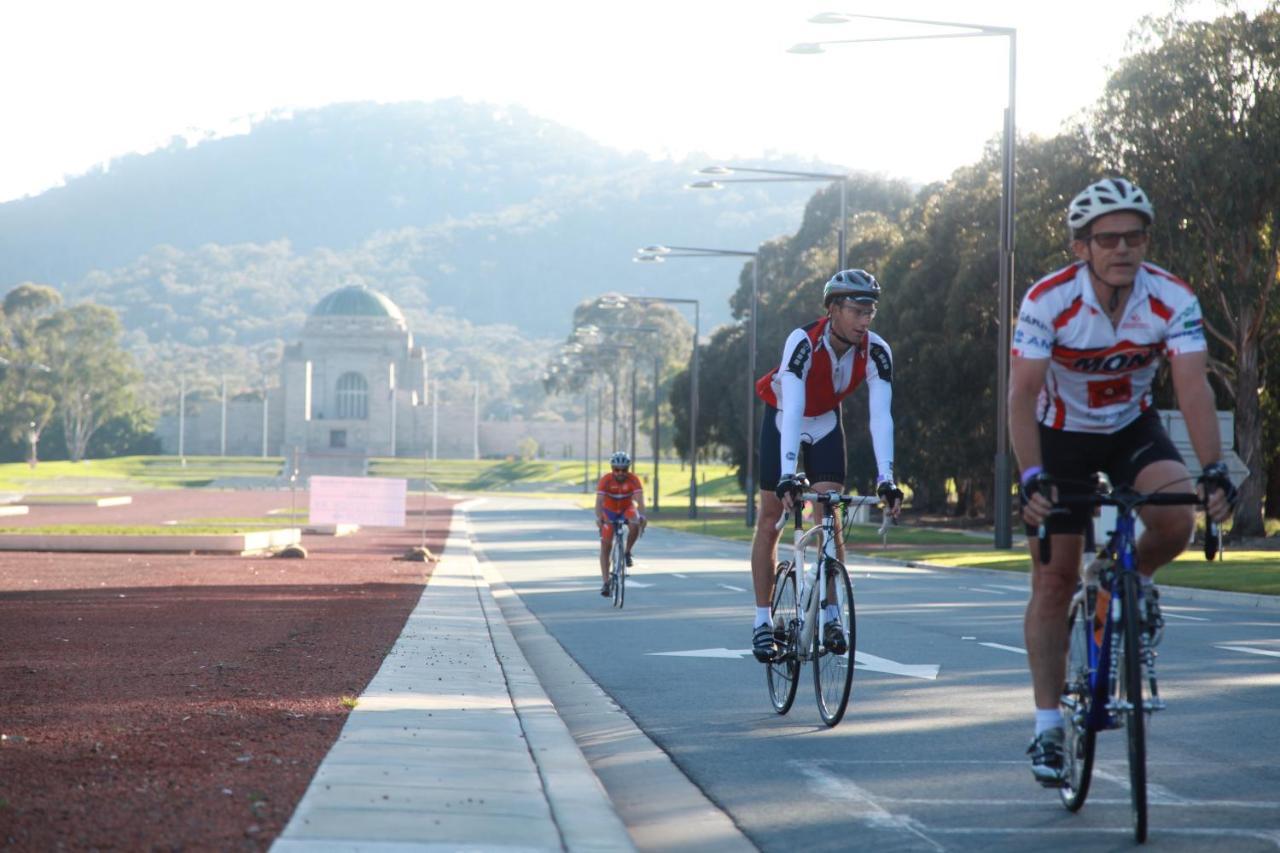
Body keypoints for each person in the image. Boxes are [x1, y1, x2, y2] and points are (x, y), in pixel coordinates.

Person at [1009, 176, 1237, 787]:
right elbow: (1022, 395)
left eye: (1134, 237)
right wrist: (1031, 477)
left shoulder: (1171, 297)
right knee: (1054, 581)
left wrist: (1213, 468)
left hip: (1129, 426)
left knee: (1175, 516)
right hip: (1060, 435)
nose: (1122, 249)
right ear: (1081, 247)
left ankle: (1126, 579)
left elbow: (1192, 386)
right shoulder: (1047, 300)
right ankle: (1048, 727)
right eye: (1107, 239)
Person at [750, 268, 903, 662]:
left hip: (826, 424)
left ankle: (832, 613)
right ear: (833, 309)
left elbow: (881, 416)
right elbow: (796, 403)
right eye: (857, 310)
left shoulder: (876, 350)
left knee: (830, 513)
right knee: (770, 518)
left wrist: (887, 478)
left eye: (871, 310)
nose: (866, 319)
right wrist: (787, 474)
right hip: (786, 416)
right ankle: (762, 620)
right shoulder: (802, 342)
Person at [595, 450, 646, 596]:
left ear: (628, 469)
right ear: (612, 469)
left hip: (626, 508)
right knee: (606, 545)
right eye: (617, 470)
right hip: (609, 511)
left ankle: (627, 552)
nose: (620, 473)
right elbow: (599, 502)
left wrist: (642, 515)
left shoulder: (633, 480)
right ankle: (606, 582)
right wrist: (599, 518)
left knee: (635, 523)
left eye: (624, 470)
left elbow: (639, 500)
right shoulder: (606, 480)